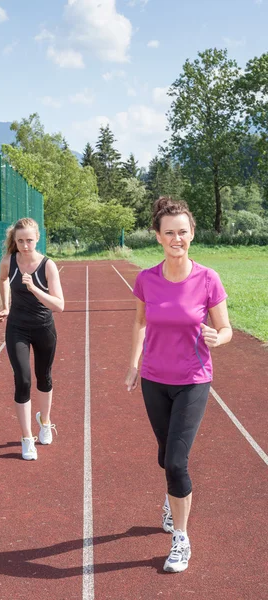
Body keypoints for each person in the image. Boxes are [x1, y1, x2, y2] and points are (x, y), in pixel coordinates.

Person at [125, 197, 232, 573]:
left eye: (182, 232)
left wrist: (221, 338)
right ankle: (173, 500)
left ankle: (181, 539)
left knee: (175, 461)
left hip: (193, 380)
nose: (177, 238)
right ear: (157, 236)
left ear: (192, 234)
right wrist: (133, 363)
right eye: (169, 232)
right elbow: (140, 323)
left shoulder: (208, 279)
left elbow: (225, 328)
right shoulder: (146, 279)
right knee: (163, 457)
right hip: (154, 379)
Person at [0, 218, 64, 461]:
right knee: (23, 379)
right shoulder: (9, 261)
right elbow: (2, 279)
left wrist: (35, 288)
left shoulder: (48, 266)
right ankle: (27, 439)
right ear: (14, 241)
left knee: (44, 377)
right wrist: (6, 305)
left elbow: (60, 305)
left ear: (37, 239)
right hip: (17, 328)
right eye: (20, 241)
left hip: (44, 327)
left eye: (29, 240)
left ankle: (44, 422)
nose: (25, 245)